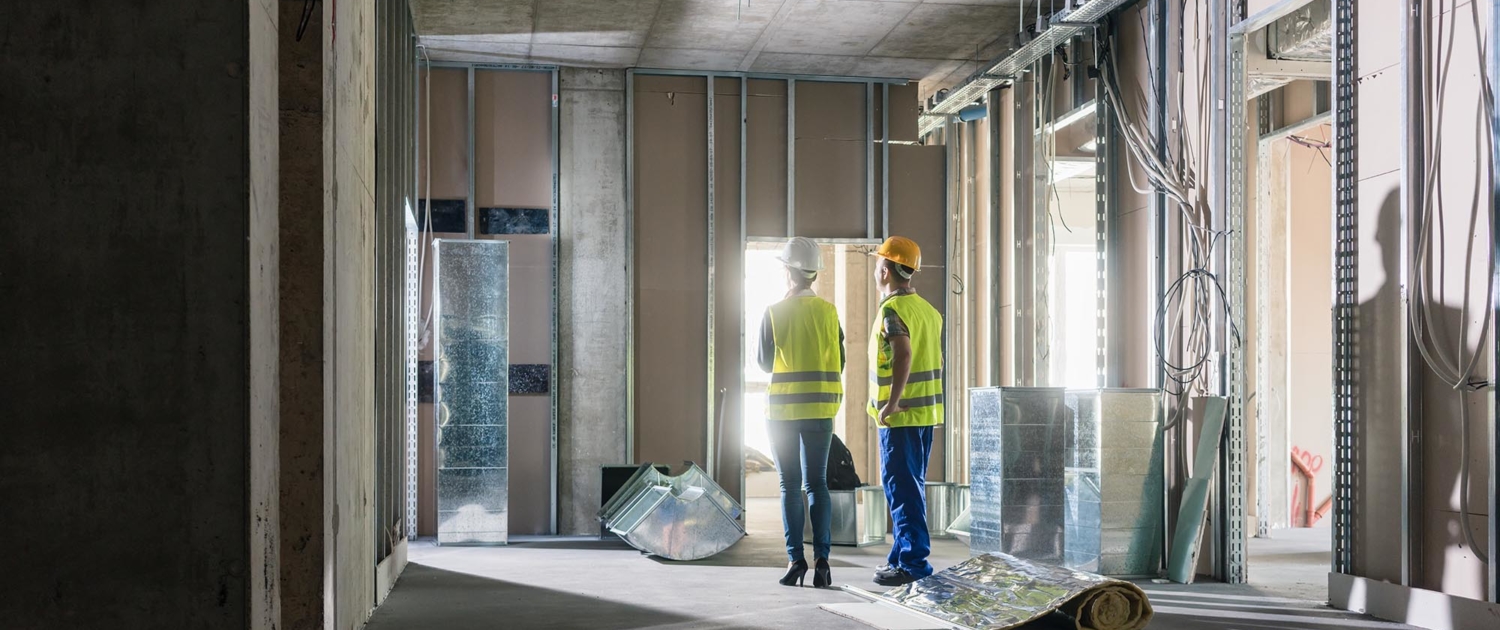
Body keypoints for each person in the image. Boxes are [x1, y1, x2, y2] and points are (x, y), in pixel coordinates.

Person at [757, 237, 845, 588]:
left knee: (789, 486)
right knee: (817, 484)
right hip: (821, 409)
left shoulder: (775, 312)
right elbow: (841, 359)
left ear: (788, 271)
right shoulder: (829, 312)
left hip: (781, 411)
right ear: (813, 274)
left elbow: (764, 364)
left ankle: (796, 560)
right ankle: (823, 562)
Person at [867, 236, 944, 587]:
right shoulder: (928, 310)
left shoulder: (891, 311)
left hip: (901, 417)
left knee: (901, 488)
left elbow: (904, 354)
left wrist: (892, 401)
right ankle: (901, 556)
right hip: (925, 415)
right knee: (910, 486)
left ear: (885, 270)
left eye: (877, 264)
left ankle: (913, 563)